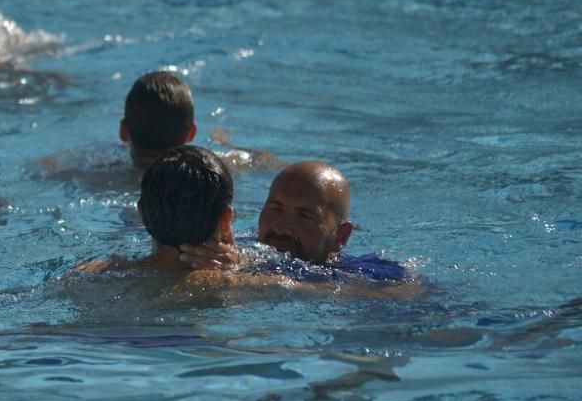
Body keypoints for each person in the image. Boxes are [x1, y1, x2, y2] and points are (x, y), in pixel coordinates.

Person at [179, 161, 413, 284]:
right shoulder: (236, 248)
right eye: (275, 209)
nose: (280, 226)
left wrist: (248, 276)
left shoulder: (370, 274)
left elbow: (411, 295)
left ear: (340, 237)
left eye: (304, 216)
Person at [39, 71, 279, 189]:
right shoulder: (213, 169)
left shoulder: (95, 171)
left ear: (124, 131)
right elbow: (267, 161)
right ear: (191, 134)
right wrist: (230, 146)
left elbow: (45, 168)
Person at [77, 145, 237, 274]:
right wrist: (238, 266)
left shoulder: (93, 274)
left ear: (141, 212)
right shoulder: (243, 284)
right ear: (226, 220)